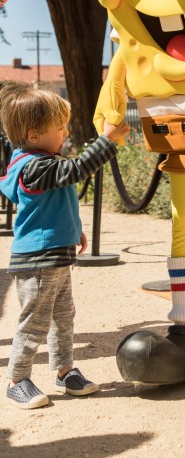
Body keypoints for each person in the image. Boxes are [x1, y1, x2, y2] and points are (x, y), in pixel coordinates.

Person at [0, 83, 130, 409]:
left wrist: (76, 232)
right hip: (39, 261)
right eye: (59, 128)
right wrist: (107, 139)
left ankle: (64, 370)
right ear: (33, 135)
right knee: (35, 323)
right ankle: (17, 379)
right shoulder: (32, 166)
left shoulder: (43, 159)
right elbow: (75, 170)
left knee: (63, 318)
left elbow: (58, 203)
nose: (65, 133)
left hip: (57, 255)